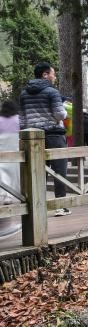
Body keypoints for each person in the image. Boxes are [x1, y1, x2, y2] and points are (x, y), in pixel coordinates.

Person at [19, 62, 70, 216]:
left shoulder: (23, 94)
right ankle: (60, 206)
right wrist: (64, 110)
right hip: (54, 135)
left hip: (33, 138)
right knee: (59, 170)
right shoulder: (52, 92)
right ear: (45, 75)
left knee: (37, 171)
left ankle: (37, 206)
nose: (54, 77)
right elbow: (60, 115)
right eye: (53, 73)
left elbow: (21, 120)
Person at [0, 101, 20, 238]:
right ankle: (8, 198)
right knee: (12, 180)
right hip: (14, 156)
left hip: (1, 156)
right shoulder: (17, 120)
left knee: (2, 180)